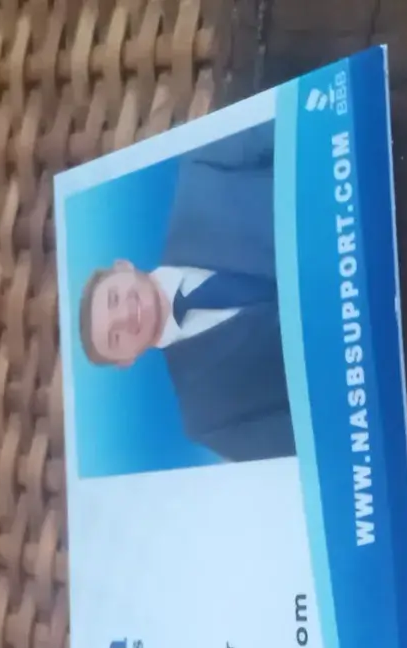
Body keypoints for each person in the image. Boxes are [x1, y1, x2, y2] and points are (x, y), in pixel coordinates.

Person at [76, 122, 294, 463]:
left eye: (113, 298)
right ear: (126, 362)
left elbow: (293, 130)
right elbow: (307, 440)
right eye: (115, 337)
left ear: (123, 266)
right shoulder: (207, 419)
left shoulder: (201, 173)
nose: (125, 315)